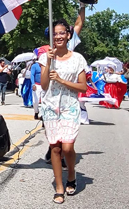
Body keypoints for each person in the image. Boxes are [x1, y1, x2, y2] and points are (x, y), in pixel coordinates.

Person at [39, 19, 88, 204]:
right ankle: (59, 187)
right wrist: (50, 60)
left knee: (67, 147)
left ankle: (71, 174)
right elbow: (44, 86)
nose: (58, 36)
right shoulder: (45, 57)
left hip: (69, 106)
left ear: (68, 35)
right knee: (55, 147)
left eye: (62, 33)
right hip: (51, 106)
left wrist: (61, 80)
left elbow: (83, 87)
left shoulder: (78, 59)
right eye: (55, 34)